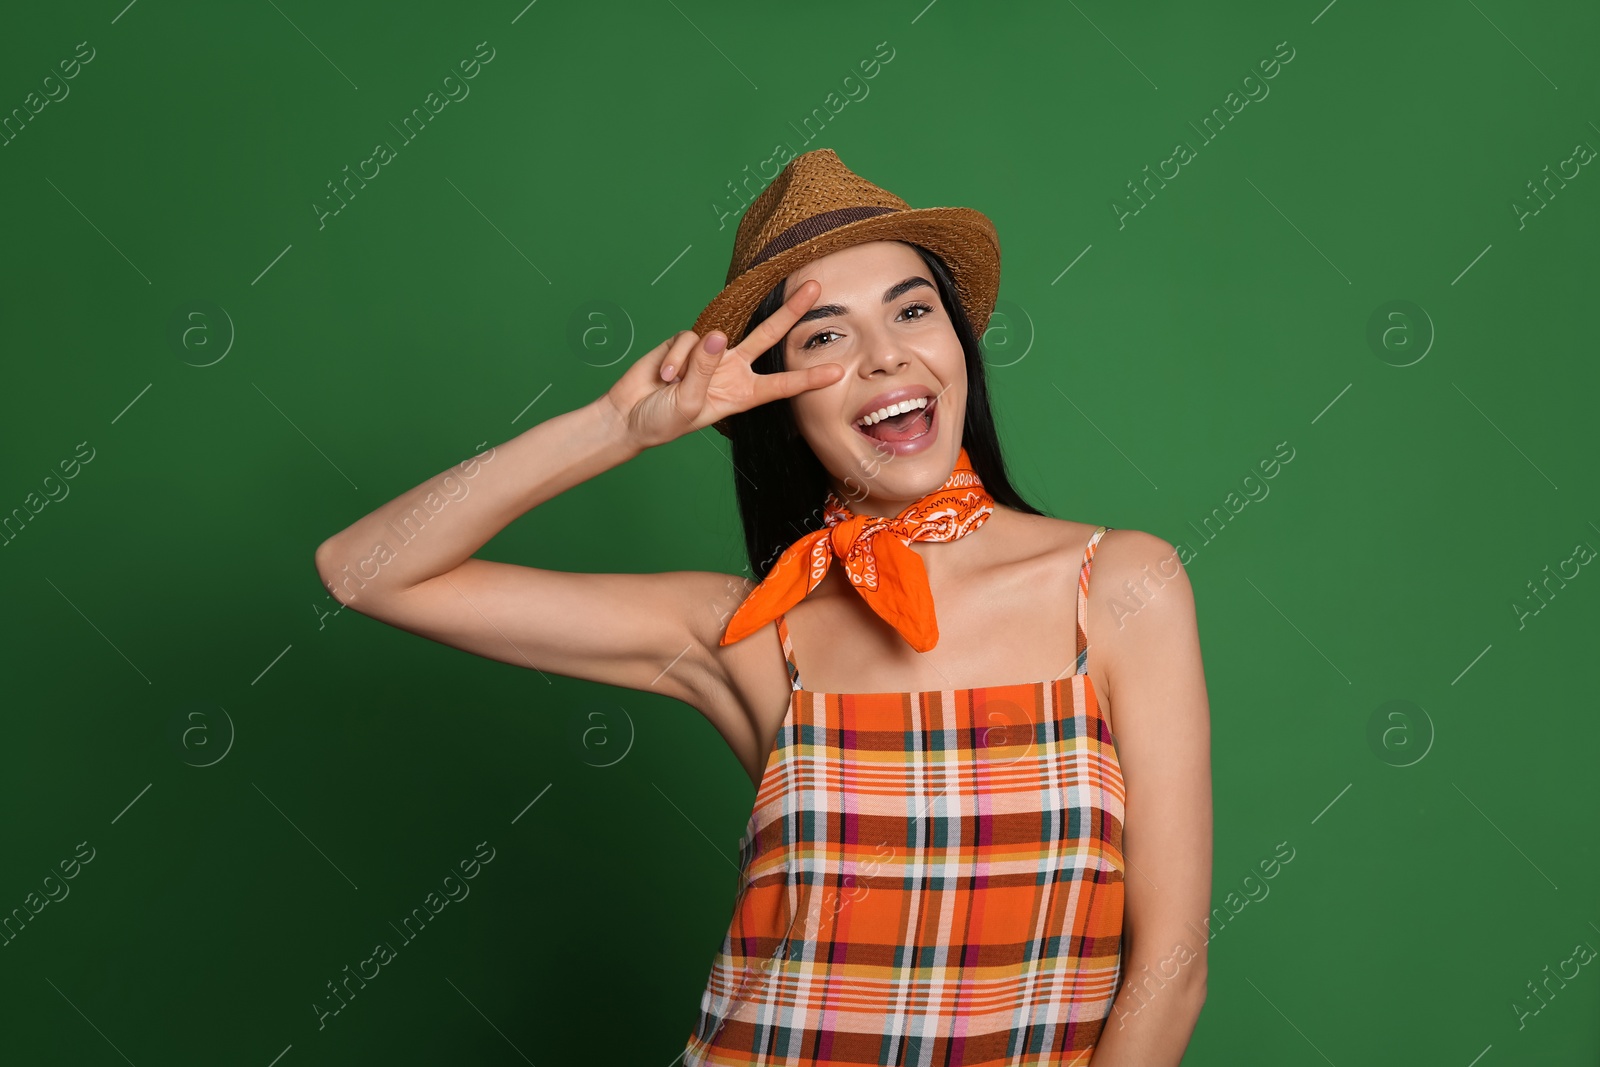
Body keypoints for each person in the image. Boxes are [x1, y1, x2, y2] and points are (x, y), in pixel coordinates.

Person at [314, 148, 1212, 1065]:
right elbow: (366, 570)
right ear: (779, 394)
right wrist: (614, 430)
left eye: (912, 310)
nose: (886, 354)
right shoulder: (745, 629)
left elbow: (1170, 965)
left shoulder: (1118, 585)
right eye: (826, 335)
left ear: (958, 343)